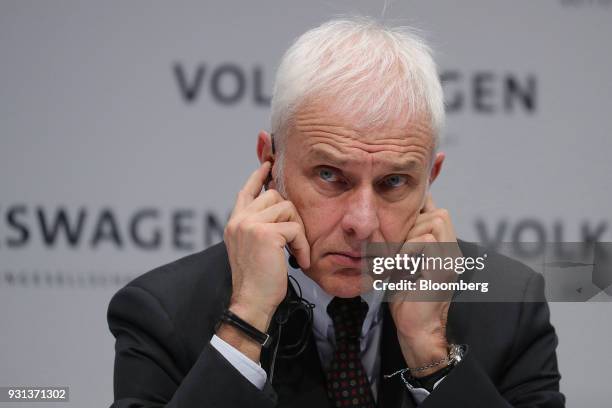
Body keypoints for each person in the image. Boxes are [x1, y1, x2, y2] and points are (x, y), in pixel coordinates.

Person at [107, 17, 564, 407]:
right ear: (272, 162)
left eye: (394, 182)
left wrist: (431, 357)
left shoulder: (510, 306)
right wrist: (245, 325)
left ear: (431, 177)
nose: (362, 223)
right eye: (330, 175)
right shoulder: (163, 312)